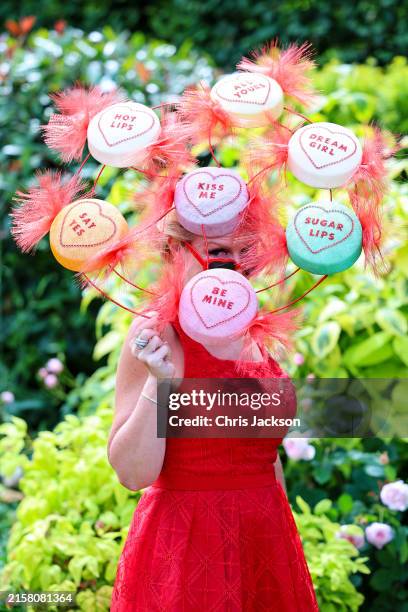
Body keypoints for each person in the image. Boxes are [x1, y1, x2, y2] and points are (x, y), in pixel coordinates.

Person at [108, 213, 319, 611]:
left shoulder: (253, 331)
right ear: (176, 252)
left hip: (264, 539)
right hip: (189, 543)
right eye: (218, 253)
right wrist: (160, 381)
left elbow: (265, 457)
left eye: (248, 254)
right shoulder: (158, 335)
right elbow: (133, 474)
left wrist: (284, 545)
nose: (236, 269)